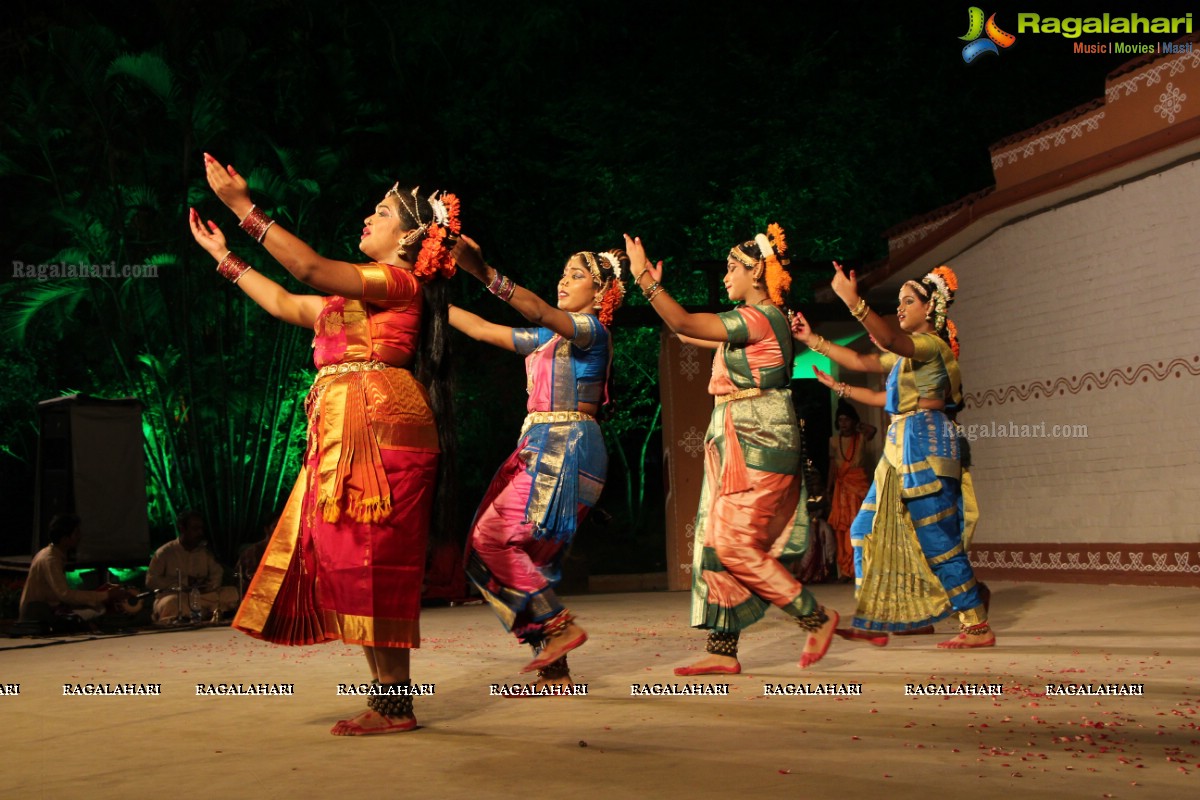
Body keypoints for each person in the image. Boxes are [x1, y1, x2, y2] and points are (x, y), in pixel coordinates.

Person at [188, 153, 460, 734]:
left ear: (410, 237)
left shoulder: (399, 281)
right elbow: (290, 300)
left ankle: (395, 703)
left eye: (381, 212)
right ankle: (388, 699)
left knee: (374, 559)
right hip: (342, 431)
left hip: (382, 427)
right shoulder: (351, 300)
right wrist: (225, 260)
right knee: (345, 558)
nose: (368, 218)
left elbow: (308, 269)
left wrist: (243, 209)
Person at [625, 226, 838, 675]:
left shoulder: (759, 318)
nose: (725, 277)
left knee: (732, 542)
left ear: (756, 270)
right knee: (714, 541)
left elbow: (684, 322)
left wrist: (645, 280)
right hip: (735, 434)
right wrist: (659, 296)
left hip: (757, 436)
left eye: (731, 268)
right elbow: (685, 333)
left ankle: (815, 618)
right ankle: (723, 649)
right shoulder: (746, 324)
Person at [448, 238, 625, 687]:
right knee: (520, 557)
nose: (564, 280)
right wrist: (420, 295)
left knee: (493, 539)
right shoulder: (546, 342)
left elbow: (541, 311)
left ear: (602, 294)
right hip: (545, 444)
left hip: (565, 445)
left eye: (577, 275)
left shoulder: (590, 331)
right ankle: (556, 669)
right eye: (563, 273)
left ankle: (561, 629)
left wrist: (483, 271)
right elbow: (482, 329)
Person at [792, 262, 993, 649]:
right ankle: (899, 617)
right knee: (863, 531)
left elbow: (890, 341)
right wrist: (813, 341)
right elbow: (865, 365)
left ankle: (976, 624)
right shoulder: (905, 359)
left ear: (929, 308)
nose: (900, 308)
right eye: (898, 302)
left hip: (927, 444)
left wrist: (854, 302)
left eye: (908, 301)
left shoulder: (929, 347)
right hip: (899, 444)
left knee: (936, 539)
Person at [18, 514, 126, 626]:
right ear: (65, 539)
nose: (79, 537)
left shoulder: (51, 555)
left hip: (46, 610)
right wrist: (106, 595)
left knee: (94, 607)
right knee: (99, 609)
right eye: (76, 533)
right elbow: (65, 595)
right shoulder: (50, 559)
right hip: (38, 614)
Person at [145, 511, 239, 624]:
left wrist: (209, 585)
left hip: (202, 596)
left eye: (201, 529)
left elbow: (217, 572)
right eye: (195, 529)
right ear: (182, 529)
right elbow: (151, 581)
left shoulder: (204, 552)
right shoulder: (165, 553)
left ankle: (207, 614)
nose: (200, 532)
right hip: (177, 597)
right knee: (171, 603)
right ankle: (190, 616)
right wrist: (184, 581)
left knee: (232, 593)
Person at [826, 402, 875, 582]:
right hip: (842, 489)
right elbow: (832, 466)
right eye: (840, 420)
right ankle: (846, 571)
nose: (843, 423)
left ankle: (860, 568)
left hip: (858, 487)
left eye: (847, 420)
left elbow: (873, 431)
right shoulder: (833, 441)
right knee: (842, 529)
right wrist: (828, 488)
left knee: (859, 525)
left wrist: (858, 425)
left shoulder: (861, 437)